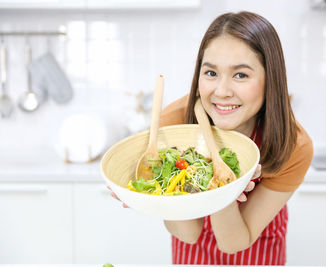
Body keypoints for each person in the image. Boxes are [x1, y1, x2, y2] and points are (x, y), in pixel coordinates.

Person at [110, 11, 313, 265]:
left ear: (269, 80)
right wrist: (156, 194)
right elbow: (188, 233)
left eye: (241, 75)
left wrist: (222, 187)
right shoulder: (172, 126)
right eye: (211, 73)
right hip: (194, 252)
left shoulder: (293, 145)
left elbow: (234, 242)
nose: (222, 91)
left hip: (258, 245)